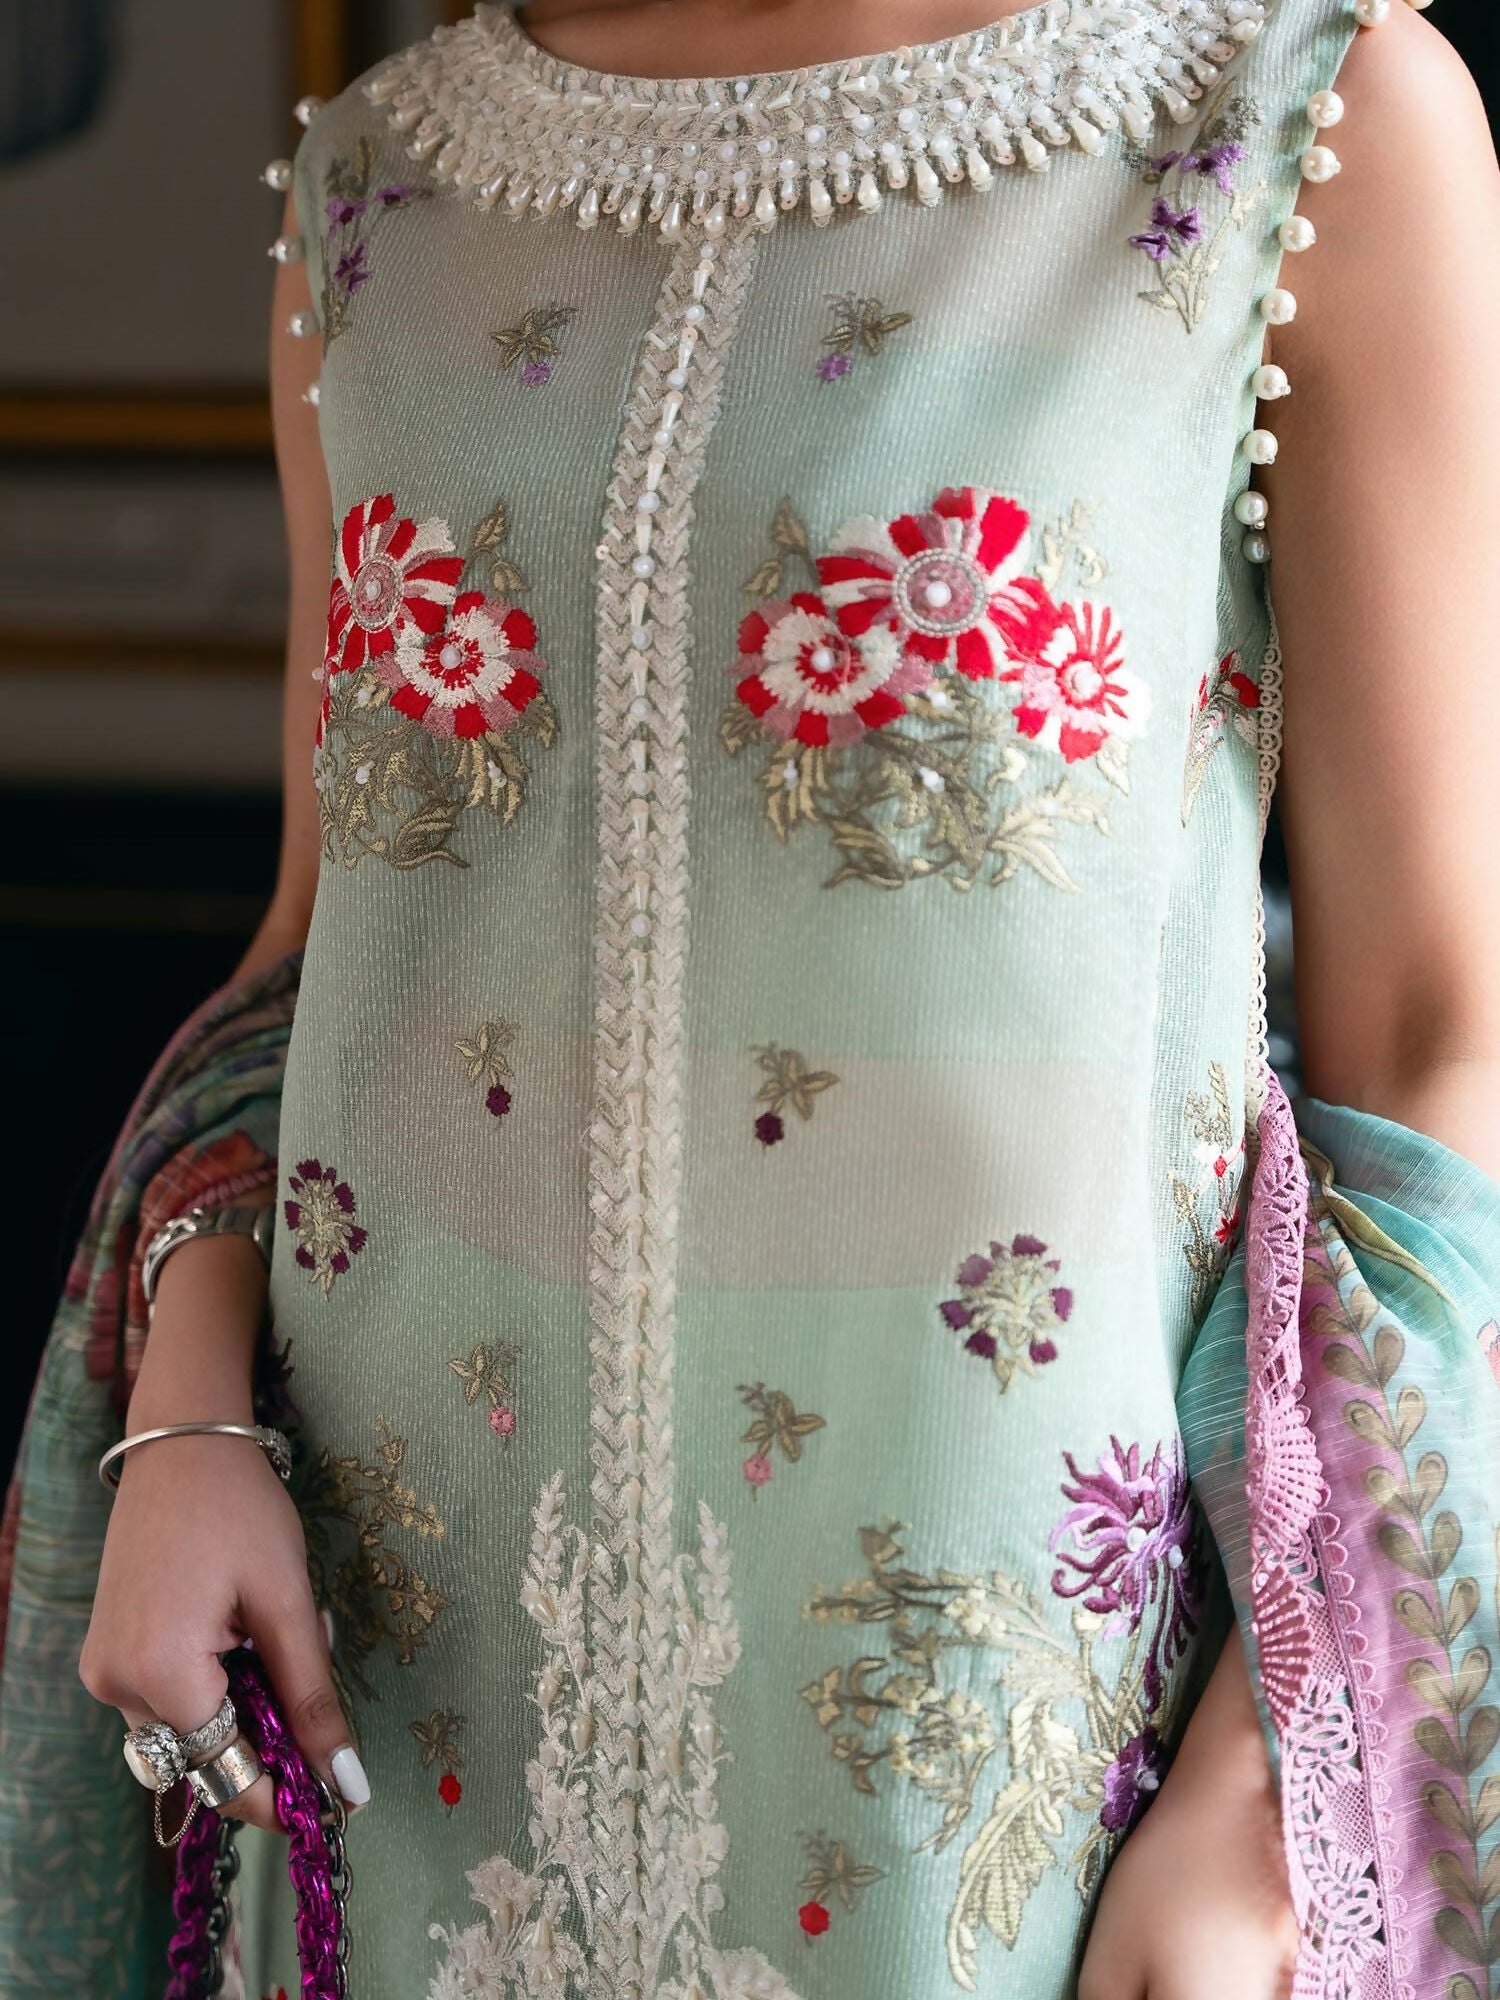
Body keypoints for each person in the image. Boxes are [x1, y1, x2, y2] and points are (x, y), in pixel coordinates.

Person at [2, 0, 1498, 1994]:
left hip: (1001, 1758)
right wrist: (184, 1417)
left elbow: (1442, 1040)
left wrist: (1257, 1803)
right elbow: (320, 959)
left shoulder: (1288, 122)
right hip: (394, 1668)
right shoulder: (384, 187)